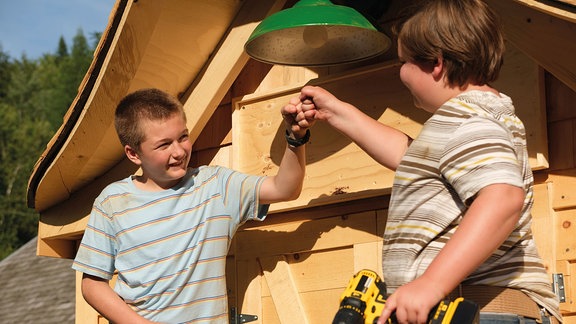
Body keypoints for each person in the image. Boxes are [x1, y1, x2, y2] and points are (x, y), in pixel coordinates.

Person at [288, 0, 562, 323]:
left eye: (404, 62)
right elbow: (410, 157)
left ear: (437, 64)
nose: (400, 72)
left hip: (482, 311)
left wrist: (431, 284)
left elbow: (503, 198)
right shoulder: (468, 120)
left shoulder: (471, 122)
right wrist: (334, 111)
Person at [72, 88, 313, 323]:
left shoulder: (215, 186)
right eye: (164, 145)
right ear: (133, 154)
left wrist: (295, 138)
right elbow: (92, 284)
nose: (179, 151)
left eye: (183, 137)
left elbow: (285, 189)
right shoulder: (112, 202)